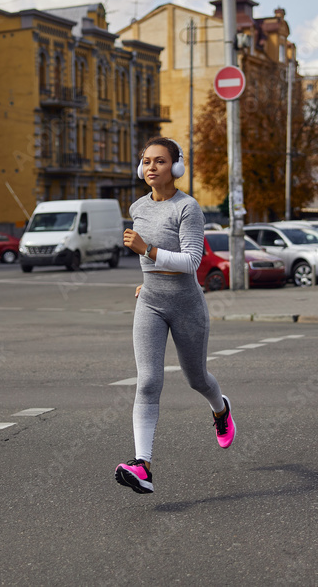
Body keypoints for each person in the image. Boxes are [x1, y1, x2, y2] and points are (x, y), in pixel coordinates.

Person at [115, 136, 235, 495]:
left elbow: (191, 261)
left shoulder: (188, 208)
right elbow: (148, 264)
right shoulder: (138, 206)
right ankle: (143, 466)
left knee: (196, 378)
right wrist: (145, 281)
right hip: (150, 303)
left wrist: (147, 250)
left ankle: (221, 410)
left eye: (160, 161)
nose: (151, 167)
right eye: (146, 161)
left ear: (176, 167)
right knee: (148, 381)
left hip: (186, 305)